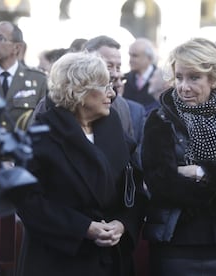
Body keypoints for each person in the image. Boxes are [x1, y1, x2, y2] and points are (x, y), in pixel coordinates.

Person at [15, 52, 145, 276]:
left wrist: (122, 224)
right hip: (59, 260)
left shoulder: (115, 130)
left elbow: (133, 190)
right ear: (79, 91)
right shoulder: (41, 136)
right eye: (104, 86)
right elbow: (27, 202)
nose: (112, 93)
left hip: (111, 260)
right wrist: (84, 228)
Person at [141, 37, 216, 276]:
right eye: (179, 77)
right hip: (174, 239)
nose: (184, 86)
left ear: (213, 78)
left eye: (194, 77)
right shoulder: (159, 119)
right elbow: (160, 181)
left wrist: (198, 171)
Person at [0, 21, 47, 130]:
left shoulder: (39, 81)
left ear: (17, 48)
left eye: (0, 39)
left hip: (22, 145)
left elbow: (43, 122)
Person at [123, 38, 159, 115]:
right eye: (130, 55)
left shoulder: (161, 79)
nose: (130, 60)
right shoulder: (123, 79)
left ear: (149, 58)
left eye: (135, 56)